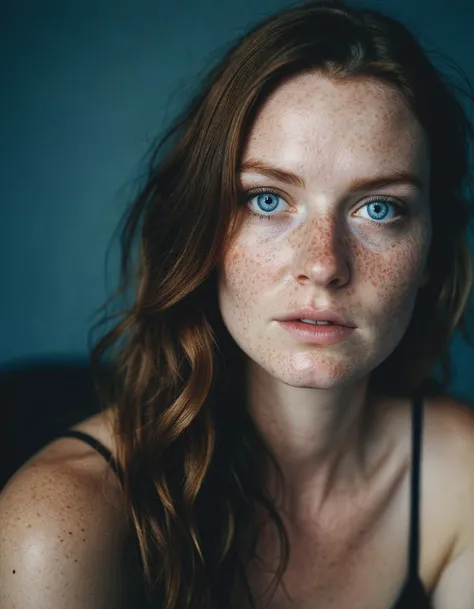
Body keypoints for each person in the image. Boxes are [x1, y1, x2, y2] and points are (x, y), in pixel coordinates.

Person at [1, 0, 474, 607]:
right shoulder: (62, 523)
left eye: (378, 208)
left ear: (431, 251)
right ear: (204, 231)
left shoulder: (459, 478)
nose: (324, 265)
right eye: (269, 200)